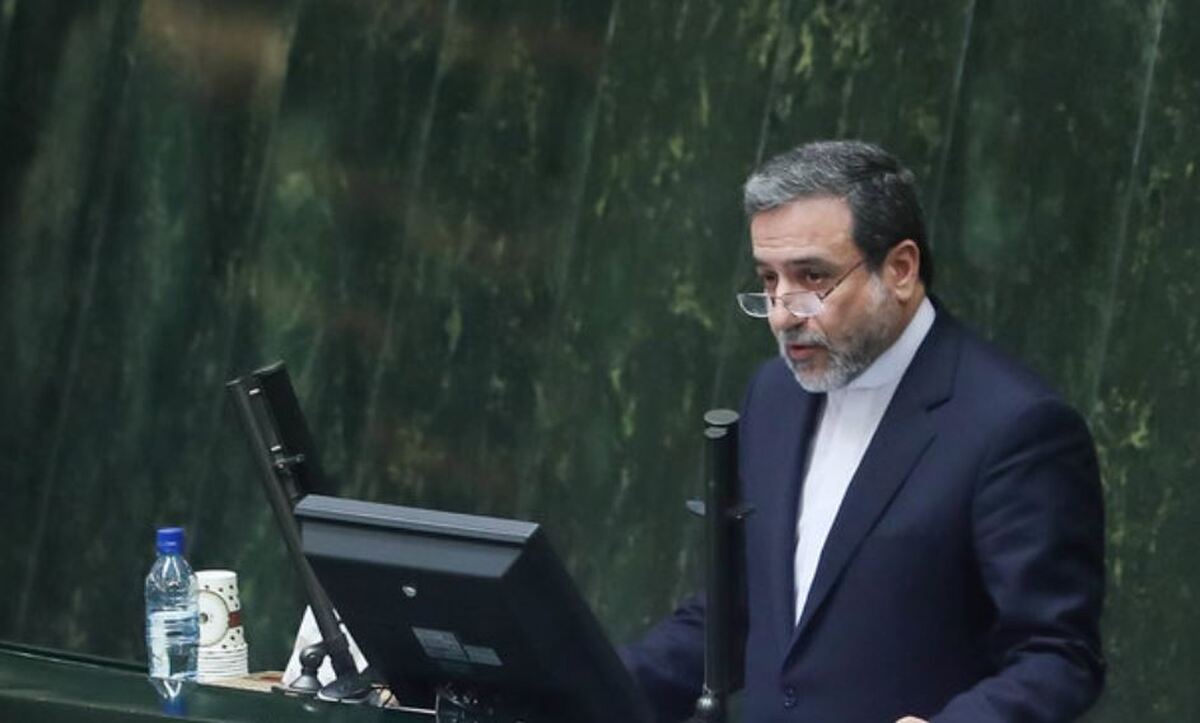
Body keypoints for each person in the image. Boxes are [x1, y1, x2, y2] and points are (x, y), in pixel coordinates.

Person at [621, 140, 1105, 722]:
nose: (782, 313)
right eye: (769, 280)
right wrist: (578, 690)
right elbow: (740, 611)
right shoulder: (773, 395)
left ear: (899, 269)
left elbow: (1057, 655)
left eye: (811, 278)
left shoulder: (1014, 427)